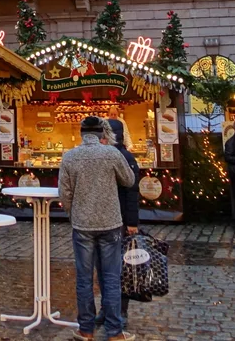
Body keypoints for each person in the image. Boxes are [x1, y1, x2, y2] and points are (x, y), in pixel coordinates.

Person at [58, 115, 136, 341]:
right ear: (102, 133)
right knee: (111, 278)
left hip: (83, 224)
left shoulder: (70, 157)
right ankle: (115, 331)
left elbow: (65, 193)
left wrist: (73, 213)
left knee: (84, 278)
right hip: (110, 223)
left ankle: (86, 329)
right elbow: (129, 180)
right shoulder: (112, 154)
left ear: (82, 134)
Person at [102, 118, 140, 331]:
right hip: (109, 217)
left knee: (120, 268)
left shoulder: (124, 157)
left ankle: (120, 310)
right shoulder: (108, 155)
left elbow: (132, 191)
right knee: (107, 267)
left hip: (121, 219)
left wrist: (132, 222)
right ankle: (107, 308)